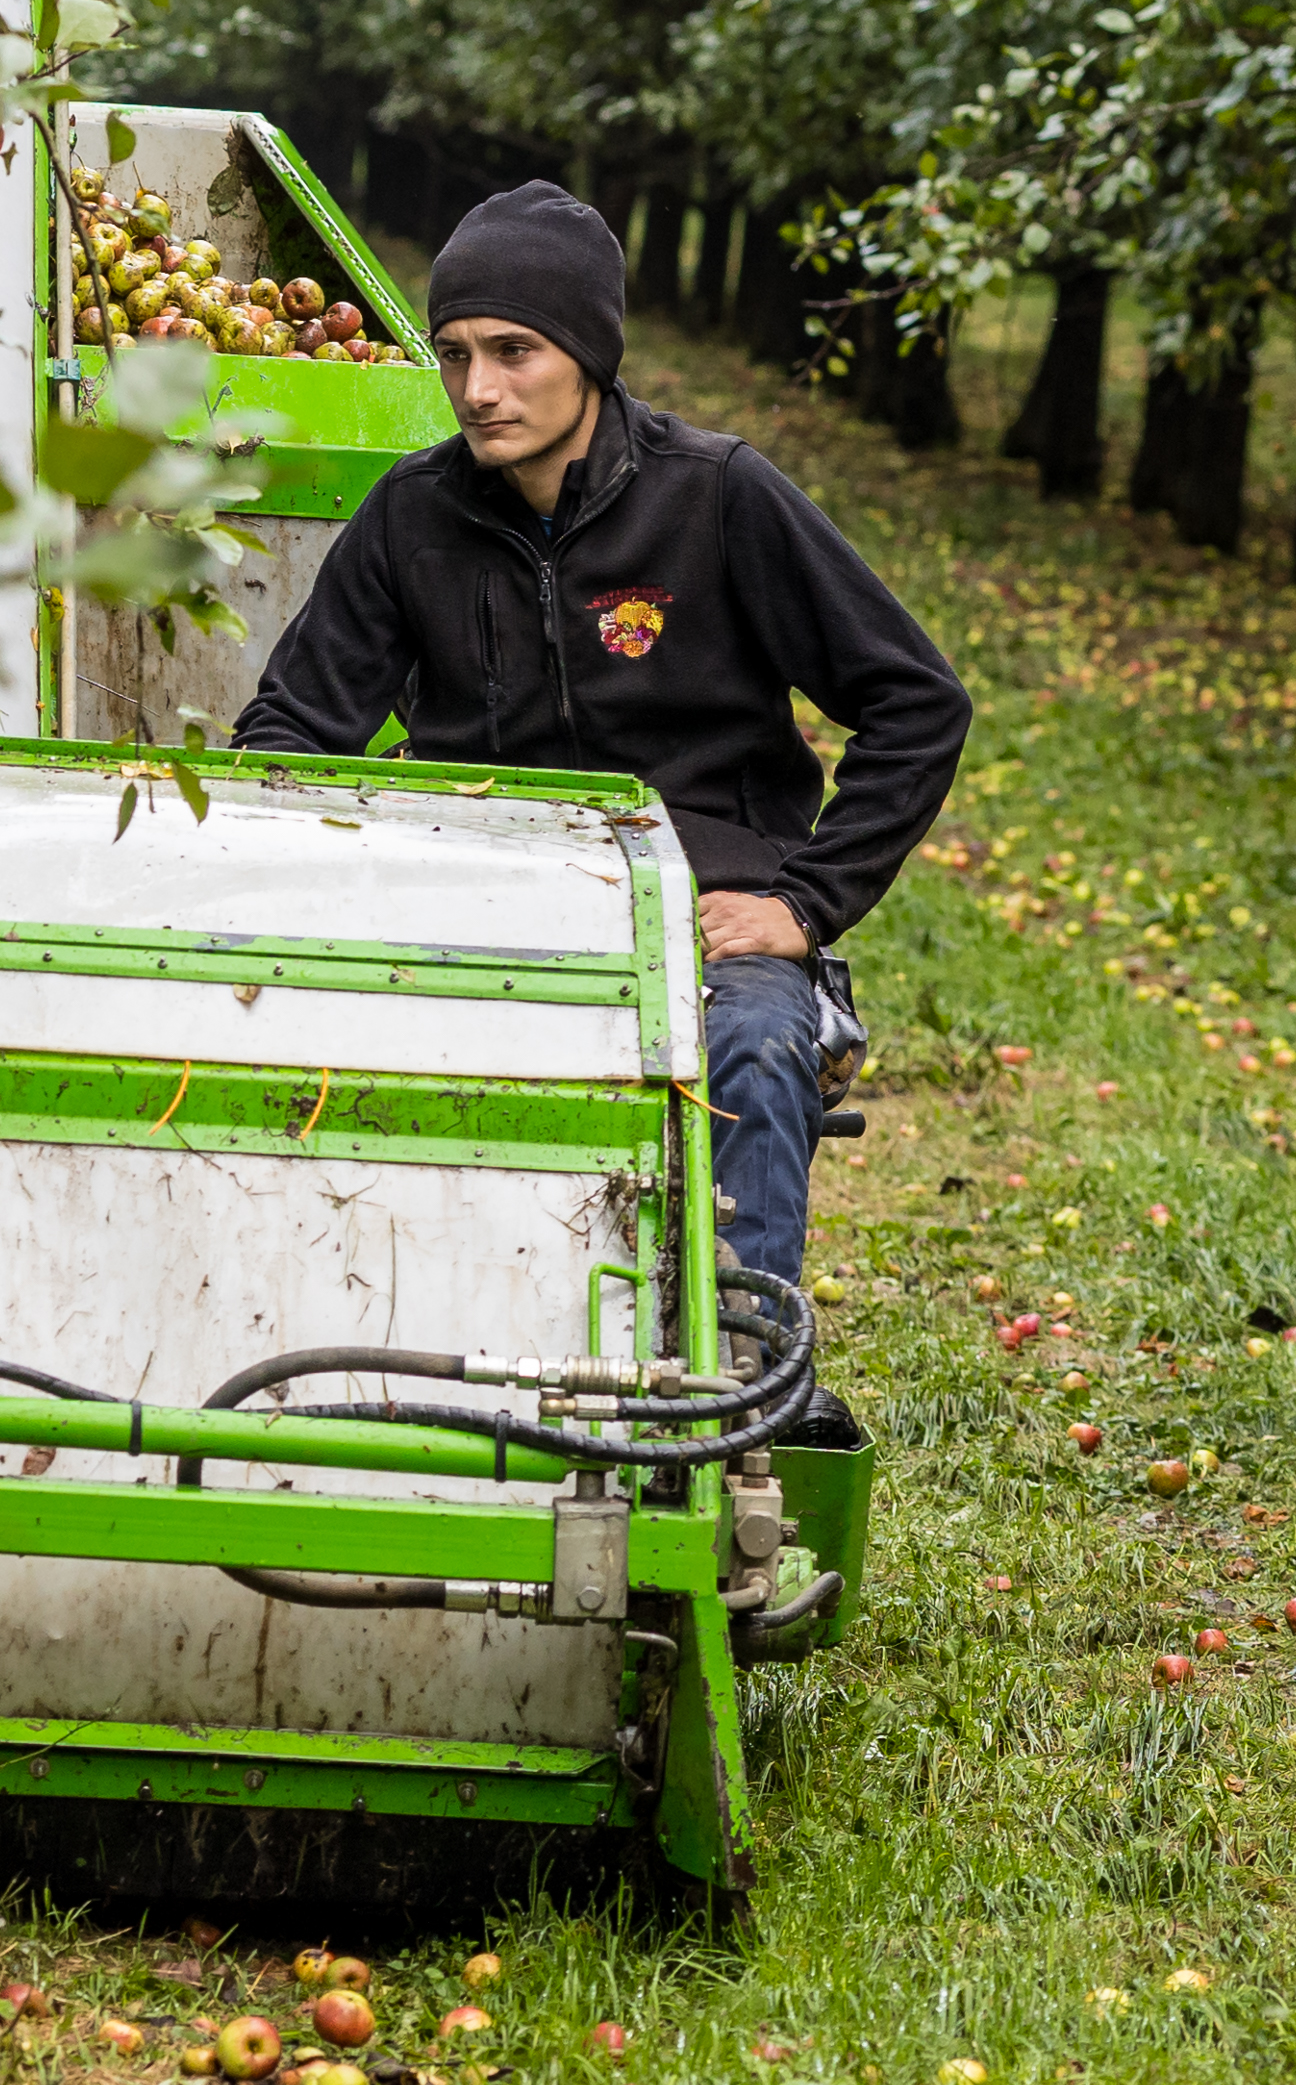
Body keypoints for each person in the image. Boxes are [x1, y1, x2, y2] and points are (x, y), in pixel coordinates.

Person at [228, 182, 973, 1393]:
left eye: (515, 352)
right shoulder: (410, 519)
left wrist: (802, 903)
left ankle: (732, 1382)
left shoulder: (718, 496)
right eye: (458, 354)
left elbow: (917, 700)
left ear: (589, 353)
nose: (480, 388)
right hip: (481, 908)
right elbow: (289, 731)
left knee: (749, 1046)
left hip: (701, 922)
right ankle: (384, 1367)